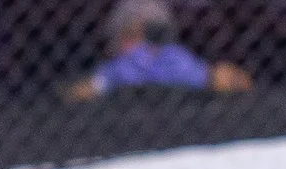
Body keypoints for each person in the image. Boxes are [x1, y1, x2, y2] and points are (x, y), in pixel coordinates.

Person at [68, 0, 250, 100]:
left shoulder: (176, 58)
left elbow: (223, 77)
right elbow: (89, 88)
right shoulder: (120, 69)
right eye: (134, 35)